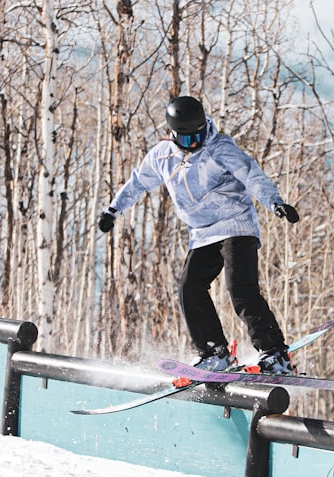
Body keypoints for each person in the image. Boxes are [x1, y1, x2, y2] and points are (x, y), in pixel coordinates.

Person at [97, 96, 301, 374]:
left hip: (236, 225)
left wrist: (275, 203)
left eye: (199, 134)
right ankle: (214, 351)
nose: (194, 142)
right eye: (187, 137)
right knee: (189, 288)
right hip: (202, 233)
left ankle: (274, 352)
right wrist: (112, 210)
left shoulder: (221, 148)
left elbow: (252, 175)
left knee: (240, 289)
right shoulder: (162, 156)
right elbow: (138, 182)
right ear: (173, 134)